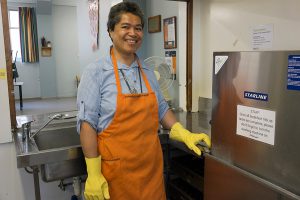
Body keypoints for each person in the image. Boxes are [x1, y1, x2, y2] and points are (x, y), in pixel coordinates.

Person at [77, 2, 211, 200]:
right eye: (125, 27)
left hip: (150, 173)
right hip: (115, 175)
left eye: (138, 28)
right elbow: (87, 124)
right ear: (110, 31)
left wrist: (183, 133)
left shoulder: (148, 72)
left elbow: (162, 109)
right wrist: (94, 174)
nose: (133, 33)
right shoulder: (95, 73)